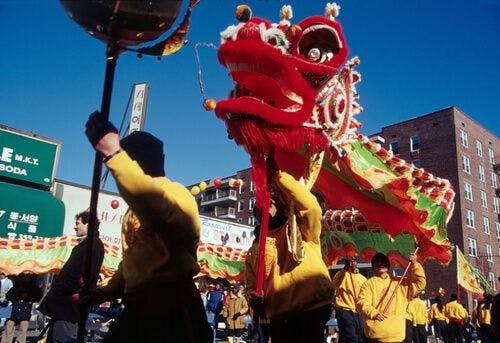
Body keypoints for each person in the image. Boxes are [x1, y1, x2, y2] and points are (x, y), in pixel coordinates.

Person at [82, 112, 212, 342]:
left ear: (133, 162)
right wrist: (105, 291)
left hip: (172, 312)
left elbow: (160, 213)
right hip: (136, 310)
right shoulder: (133, 210)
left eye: (125, 158)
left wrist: (114, 155)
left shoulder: (176, 194)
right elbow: (133, 261)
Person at [245, 160, 335, 343]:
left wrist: (279, 176)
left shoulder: (299, 227)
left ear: (280, 206)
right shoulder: (254, 250)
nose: (264, 206)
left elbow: (311, 207)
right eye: (260, 206)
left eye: (269, 203)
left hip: (312, 308)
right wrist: (252, 299)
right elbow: (251, 286)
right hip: (280, 317)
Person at [38, 210, 104, 343]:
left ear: (88, 224)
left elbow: (87, 276)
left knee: (62, 339)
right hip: (64, 306)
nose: (75, 226)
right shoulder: (86, 245)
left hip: (69, 307)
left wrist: (65, 287)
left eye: (77, 223)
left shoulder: (93, 246)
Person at [356, 252, 426, 343]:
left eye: (383, 261)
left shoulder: (400, 282)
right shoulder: (368, 284)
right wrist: (374, 313)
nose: (380, 264)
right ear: (373, 267)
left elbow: (420, 284)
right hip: (375, 337)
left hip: (398, 337)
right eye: (377, 262)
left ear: (388, 266)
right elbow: (362, 303)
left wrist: (415, 265)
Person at [331, 257, 366, 343]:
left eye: (354, 260)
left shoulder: (363, 279)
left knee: (359, 336)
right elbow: (335, 284)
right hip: (345, 311)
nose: (352, 263)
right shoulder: (340, 275)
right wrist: (345, 268)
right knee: (350, 337)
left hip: (358, 312)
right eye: (350, 261)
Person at [1, 274, 42, 343]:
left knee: (23, 329)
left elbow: (38, 296)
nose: (24, 278)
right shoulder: (16, 287)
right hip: (14, 310)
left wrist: (30, 299)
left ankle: (20, 341)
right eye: (23, 277)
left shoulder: (33, 287)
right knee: (9, 327)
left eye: (26, 277)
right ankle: (6, 341)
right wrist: (17, 294)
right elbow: (8, 296)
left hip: (25, 310)